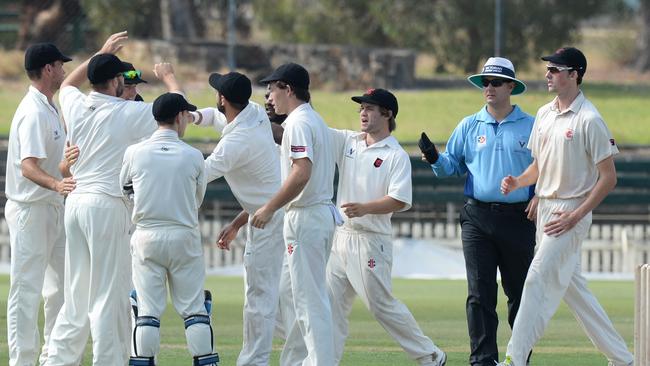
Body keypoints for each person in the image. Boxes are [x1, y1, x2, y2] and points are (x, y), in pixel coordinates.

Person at [45, 31, 184, 366]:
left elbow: (65, 86)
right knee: (108, 294)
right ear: (114, 81)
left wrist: (100, 52)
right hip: (106, 205)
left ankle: (57, 361)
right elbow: (176, 112)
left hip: (75, 203)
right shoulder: (126, 113)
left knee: (77, 295)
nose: (126, 82)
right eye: (122, 77)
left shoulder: (77, 104)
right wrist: (168, 78)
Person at [497, 47, 634, 366]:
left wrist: (575, 215)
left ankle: (514, 359)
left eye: (556, 70)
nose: (548, 74)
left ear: (574, 75)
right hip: (546, 210)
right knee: (577, 294)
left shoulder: (590, 119)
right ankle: (624, 360)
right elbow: (539, 166)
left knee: (536, 279)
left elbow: (608, 178)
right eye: (549, 69)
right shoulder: (544, 114)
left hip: (571, 212)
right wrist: (519, 182)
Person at [418, 57, 536, 366]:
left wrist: (541, 197)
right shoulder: (469, 125)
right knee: (479, 293)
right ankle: (482, 360)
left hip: (520, 217)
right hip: (477, 217)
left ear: (511, 86)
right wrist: (433, 157)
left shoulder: (532, 125)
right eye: (485, 82)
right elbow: (451, 167)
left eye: (496, 82)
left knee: (519, 293)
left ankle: (519, 357)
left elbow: (548, 168)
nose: (490, 88)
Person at [327, 88, 447, 366]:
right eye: (361, 109)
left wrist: (365, 207)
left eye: (369, 108)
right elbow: (314, 130)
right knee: (329, 307)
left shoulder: (395, 155)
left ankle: (430, 355)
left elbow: (399, 199)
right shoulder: (349, 142)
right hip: (341, 237)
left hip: (370, 240)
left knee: (380, 305)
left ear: (388, 114)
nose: (363, 114)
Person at [191, 71, 286, 365]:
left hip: (270, 221)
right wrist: (192, 117)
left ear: (223, 99)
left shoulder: (234, 144)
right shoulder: (253, 113)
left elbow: (198, 175)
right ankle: (306, 350)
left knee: (259, 297)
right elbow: (215, 118)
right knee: (274, 297)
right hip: (268, 214)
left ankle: (254, 361)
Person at [120, 92, 218, 366]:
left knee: (147, 311)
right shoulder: (194, 155)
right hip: (183, 234)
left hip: (146, 235)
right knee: (194, 310)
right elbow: (197, 198)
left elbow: (125, 189)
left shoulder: (134, 152)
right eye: (186, 115)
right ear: (179, 117)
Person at [254, 62, 339, 365]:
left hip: (306, 216)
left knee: (309, 301)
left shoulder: (300, 123)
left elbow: (301, 172)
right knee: (291, 297)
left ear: (287, 89)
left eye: (272, 89)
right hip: (313, 215)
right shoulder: (310, 120)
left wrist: (269, 207)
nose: (269, 97)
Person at [4, 42, 74, 366]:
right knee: (26, 290)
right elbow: (27, 166)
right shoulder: (33, 111)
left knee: (60, 287)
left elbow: (51, 162)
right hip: (31, 210)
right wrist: (58, 183)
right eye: (60, 65)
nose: (63, 70)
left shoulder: (49, 105)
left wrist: (65, 171)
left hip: (53, 207)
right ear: (48, 69)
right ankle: (23, 361)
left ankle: (53, 358)